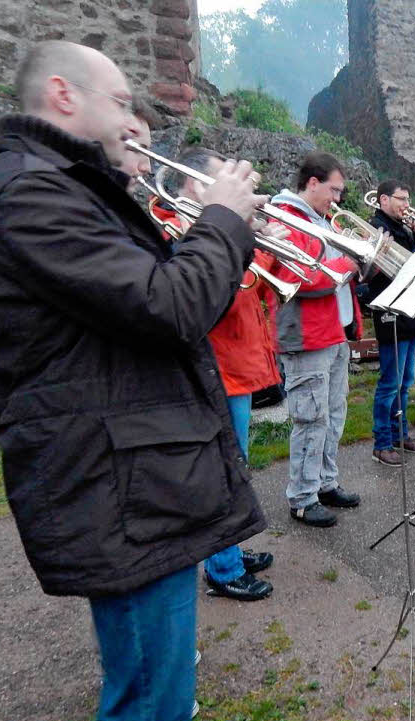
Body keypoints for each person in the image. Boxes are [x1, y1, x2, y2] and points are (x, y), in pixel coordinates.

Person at [0, 41, 265, 721]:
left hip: (137, 475)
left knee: (158, 702)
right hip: (118, 484)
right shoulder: (30, 194)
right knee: (147, 716)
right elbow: (169, 308)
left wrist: (197, 223)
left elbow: (147, 300)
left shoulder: (64, 188)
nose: (135, 120)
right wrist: (222, 219)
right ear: (64, 96)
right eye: (123, 102)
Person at [154, 147, 286, 601]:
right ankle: (223, 568)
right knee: (224, 472)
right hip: (219, 369)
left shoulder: (207, 231)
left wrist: (263, 242)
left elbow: (255, 294)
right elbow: (214, 300)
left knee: (236, 469)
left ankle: (226, 551)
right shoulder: (181, 231)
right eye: (221, 178)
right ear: (193, 185)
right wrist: (254, 249)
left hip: (238, 366)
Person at [270, 153, 362, 525]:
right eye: (333, 190)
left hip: (334, 332)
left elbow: (343, 267)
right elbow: (301, 278)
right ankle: (302, 498)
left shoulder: (322, 221)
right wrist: (348, 263)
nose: (337, 200)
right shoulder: (286, 219)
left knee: (334, 414)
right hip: (306, 336)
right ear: (312, 183)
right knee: (311, 419)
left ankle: (325, 482)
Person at [365, 179, 415, 465]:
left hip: (408, 312)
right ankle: (382, 443)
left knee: (405, 381)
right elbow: (380, 274)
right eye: (400, 199)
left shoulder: (401, 228)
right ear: (383, 200)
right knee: (390, 383)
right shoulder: (376, 229)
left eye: (407, 199)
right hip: (390, 312)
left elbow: (413, 268)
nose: (406, 204)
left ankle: (399, 432)